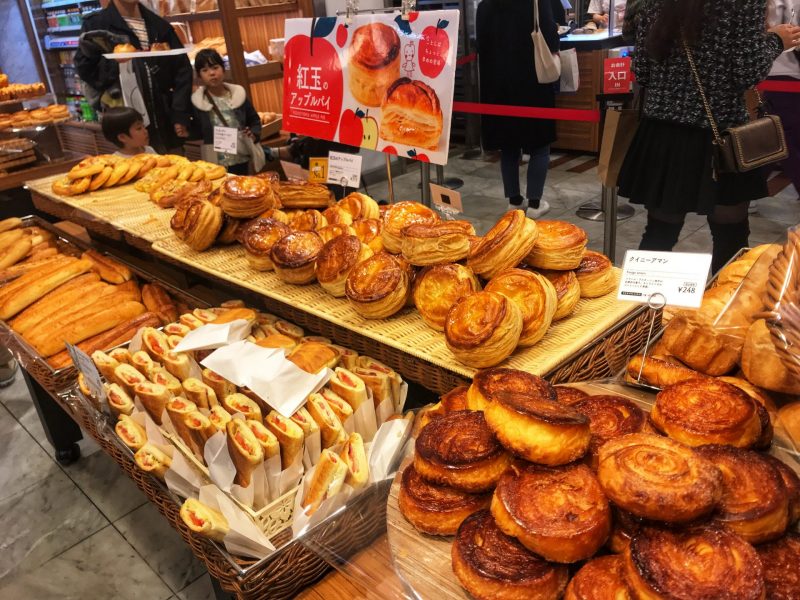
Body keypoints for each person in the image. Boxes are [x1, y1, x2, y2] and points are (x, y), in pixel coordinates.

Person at [617, 0, 800, 273]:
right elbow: (746, 72)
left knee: (659, 232)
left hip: (664, 133)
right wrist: (776, 40)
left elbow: (642, 70)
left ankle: (643, 312)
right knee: (731, 236)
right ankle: (722, 312)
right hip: (721, 135)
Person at [476, 0, 563, 219]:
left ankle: (514, 201)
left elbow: (481, 45)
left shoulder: (485, 5)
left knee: (508, 145)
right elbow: (551, 37)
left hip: (497, 85)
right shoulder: (536, 2)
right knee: (540, 144)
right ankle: (534, 204)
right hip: (532, 82)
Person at [74, 0, 193, 154]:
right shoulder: (97, 25)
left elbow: (182, 70)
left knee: (173, 171)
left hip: (165, 122)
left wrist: (180, 112)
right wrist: (113, 63)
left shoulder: (159, 25)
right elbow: (86, 70)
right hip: (125, 127)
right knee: (134, 171)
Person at [191, 49, 263, 175]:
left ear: (223, 69)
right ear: (199, 75)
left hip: (241, 156)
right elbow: (196, 131)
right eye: (205, 70)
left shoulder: (238, 95)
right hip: (215, 162)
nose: (212, 73)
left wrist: (253, 134)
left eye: (215, 67)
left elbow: (254, 120)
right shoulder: (198, 102)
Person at [765, 0, 800, 200]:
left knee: (778, 137)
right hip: (777, 73)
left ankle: (748, 188)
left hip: (784, 73)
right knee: (786, 139)